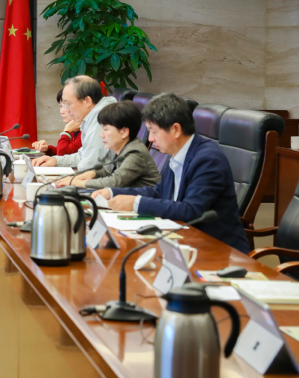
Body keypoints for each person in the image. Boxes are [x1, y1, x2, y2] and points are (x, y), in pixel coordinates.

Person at [91, 93, 250, 253]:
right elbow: (158, 192)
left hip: (220, 250)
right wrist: (112, 192)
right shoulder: (177, 153)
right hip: (184, 242)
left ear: (175, 129)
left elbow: (192, 210)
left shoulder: (208, 159)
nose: (150, 139)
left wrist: (136, 203)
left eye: (154, 132)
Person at [56, 101, 160, 189]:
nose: (101, 134)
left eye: (105, 129)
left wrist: (76, 182)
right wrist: (92, 174)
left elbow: (115, 182)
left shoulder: (135, 153)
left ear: (124, 132)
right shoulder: (121, 147)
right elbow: (107, 171)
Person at [33, 76, 117, 172]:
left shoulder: (101, 117)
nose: (67, 110)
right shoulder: (91, 116)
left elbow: (89, 165)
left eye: (68, 104)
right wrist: (56, 161)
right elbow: (83, 155)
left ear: (87, 101)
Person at [32, 89, 81, 156]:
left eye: (66, 106)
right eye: (61, 106)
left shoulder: (83, 130)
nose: (61, 111)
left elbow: (62, 153)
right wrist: (47, 149)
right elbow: (62, 149)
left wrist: (66, 131)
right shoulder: (74, 127)